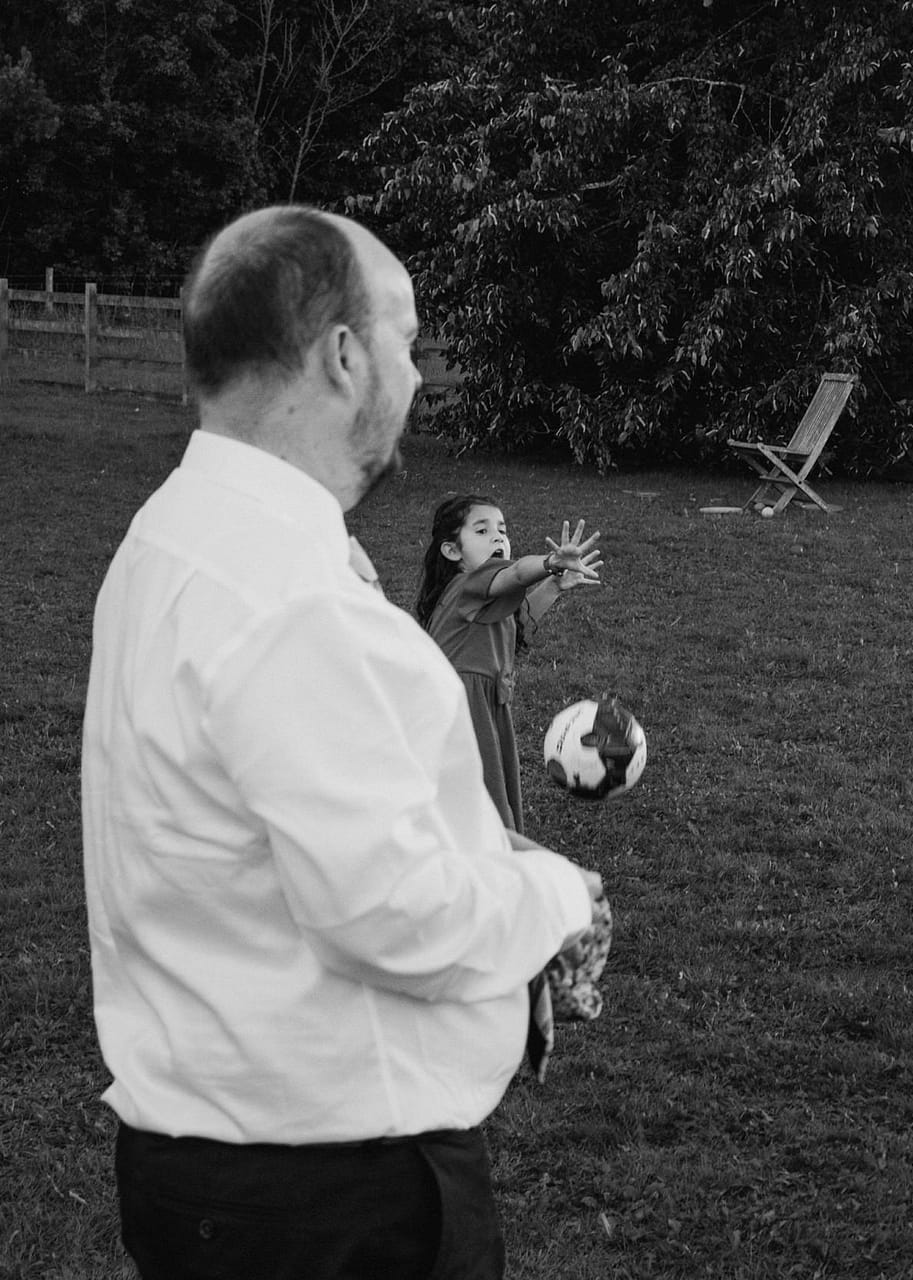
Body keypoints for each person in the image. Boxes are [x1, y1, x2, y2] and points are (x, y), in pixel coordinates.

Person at [81, 205, 602, 1280]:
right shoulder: (285, 593)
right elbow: (390, 911)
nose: (417, 375)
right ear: (345, 354)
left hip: (226, 1173)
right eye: (408, 342)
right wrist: (558, 896)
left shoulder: (176, 531)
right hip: (331, 1205)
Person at [414, 493, 604, 832]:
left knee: (486, 804)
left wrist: (554, 586)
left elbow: (517, 627)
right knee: (479, 812)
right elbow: (516, 573)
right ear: (452, 551)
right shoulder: (465, 585)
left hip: (486, 710)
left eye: (502, 530)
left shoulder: (487, 598)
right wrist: (550, 562)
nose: (498, 537)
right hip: (465, 714)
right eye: (482, 531)